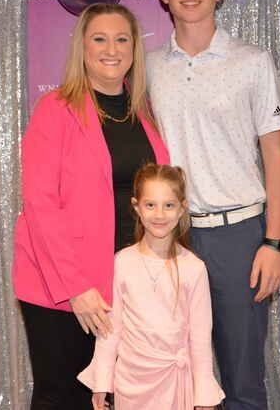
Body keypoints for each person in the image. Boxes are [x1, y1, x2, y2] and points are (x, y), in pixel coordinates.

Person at [146, 0, 280, 410]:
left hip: (241, 237)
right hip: (171, 237)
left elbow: (276, 156)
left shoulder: (252, 61)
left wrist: (273, 243)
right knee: (171, 373)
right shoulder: (146, 68)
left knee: (242, 380)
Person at [13, 3, 170, 409]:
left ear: (135, 49)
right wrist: (76, 289)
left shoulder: (146, 115)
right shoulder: (56, 110)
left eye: (122, 39)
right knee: (64, 396)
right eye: (99, 39)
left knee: (116, 397)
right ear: (82, 48)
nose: (111, 49)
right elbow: (40, 205)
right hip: (64, 288)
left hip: (127, 283)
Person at [78, 163, 225, 410]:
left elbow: (200, 341)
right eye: (150, 205)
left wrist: (204, 398)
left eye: (168, 205)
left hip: (176, 384)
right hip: (131, 384)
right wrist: (102, 381)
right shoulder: (121, 262)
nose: (159, 214)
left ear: (182, 209)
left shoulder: (194, 268)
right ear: (136, 207)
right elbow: (110, 330)